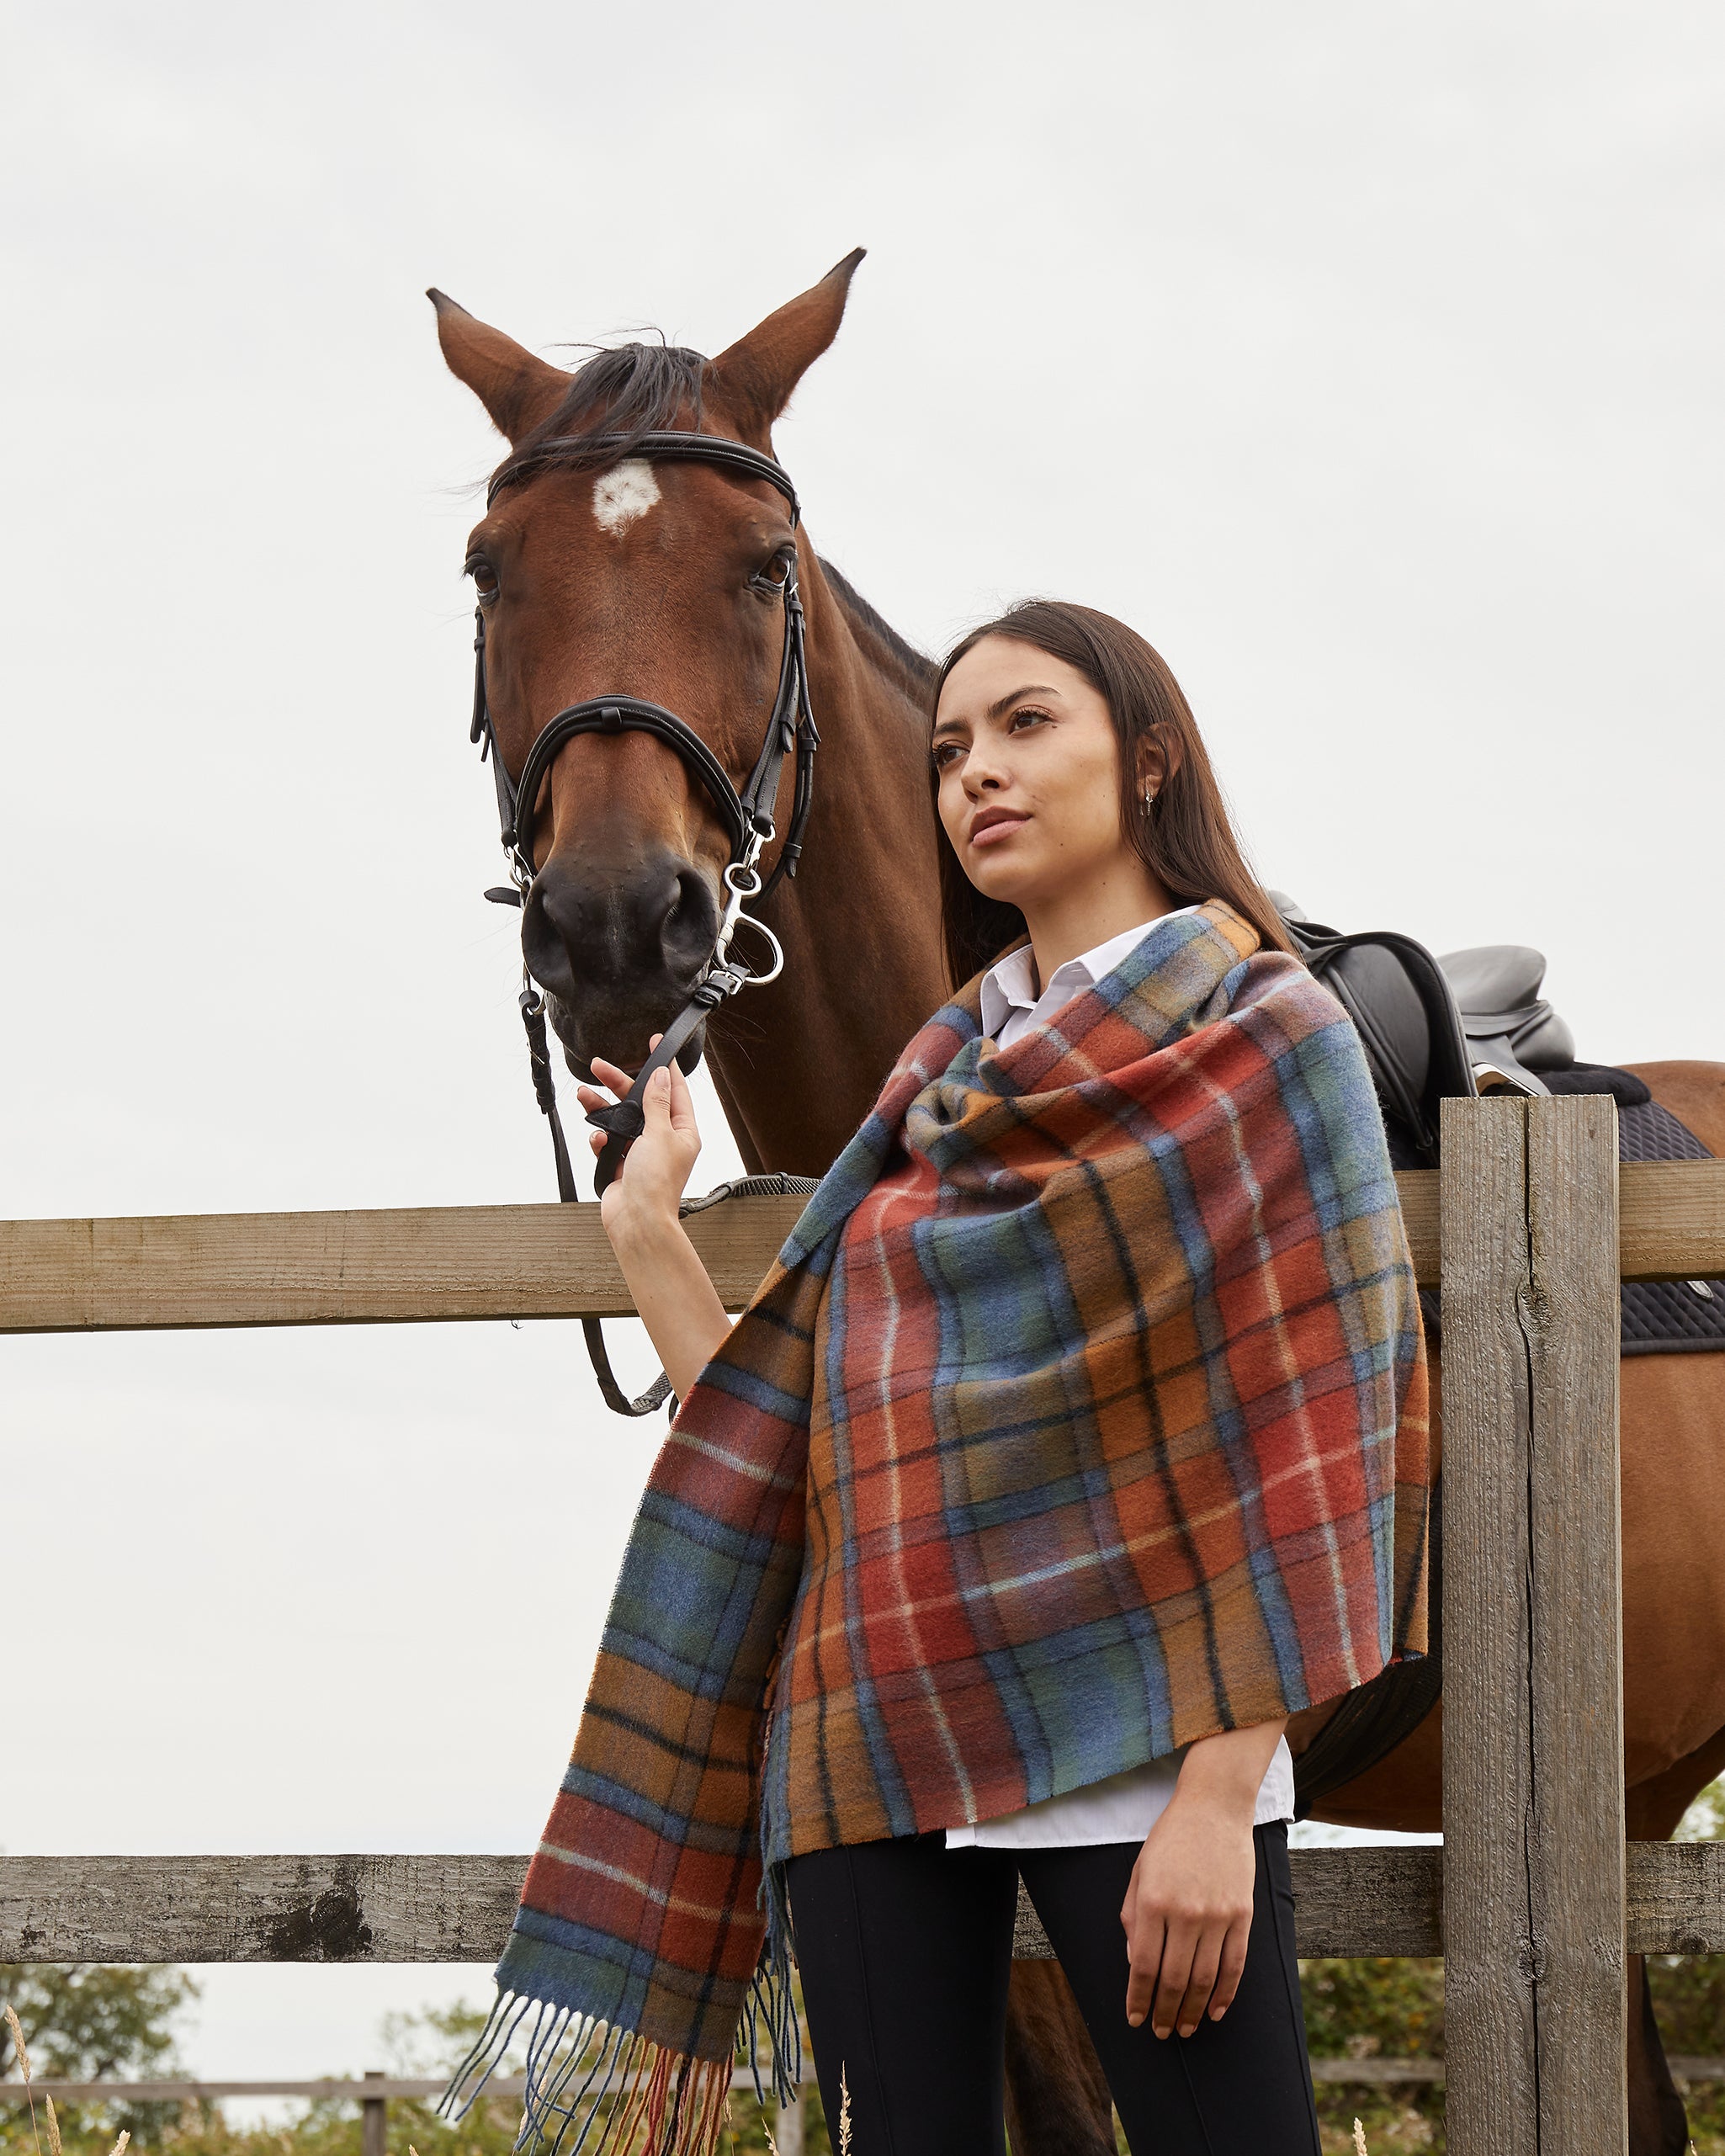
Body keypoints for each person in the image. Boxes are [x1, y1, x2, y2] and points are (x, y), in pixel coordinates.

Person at [449, 601, 1430, 2156]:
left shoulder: (1269, 1037)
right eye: (951, 748)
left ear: (1152, 758)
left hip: (1147, 1746)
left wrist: (1222, 1788)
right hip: (871, 1750)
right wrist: (646, 1225)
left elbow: (1328, 1428)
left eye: (1028, 725)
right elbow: (798, 1454)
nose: (977, 771)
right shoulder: (935, 1085)